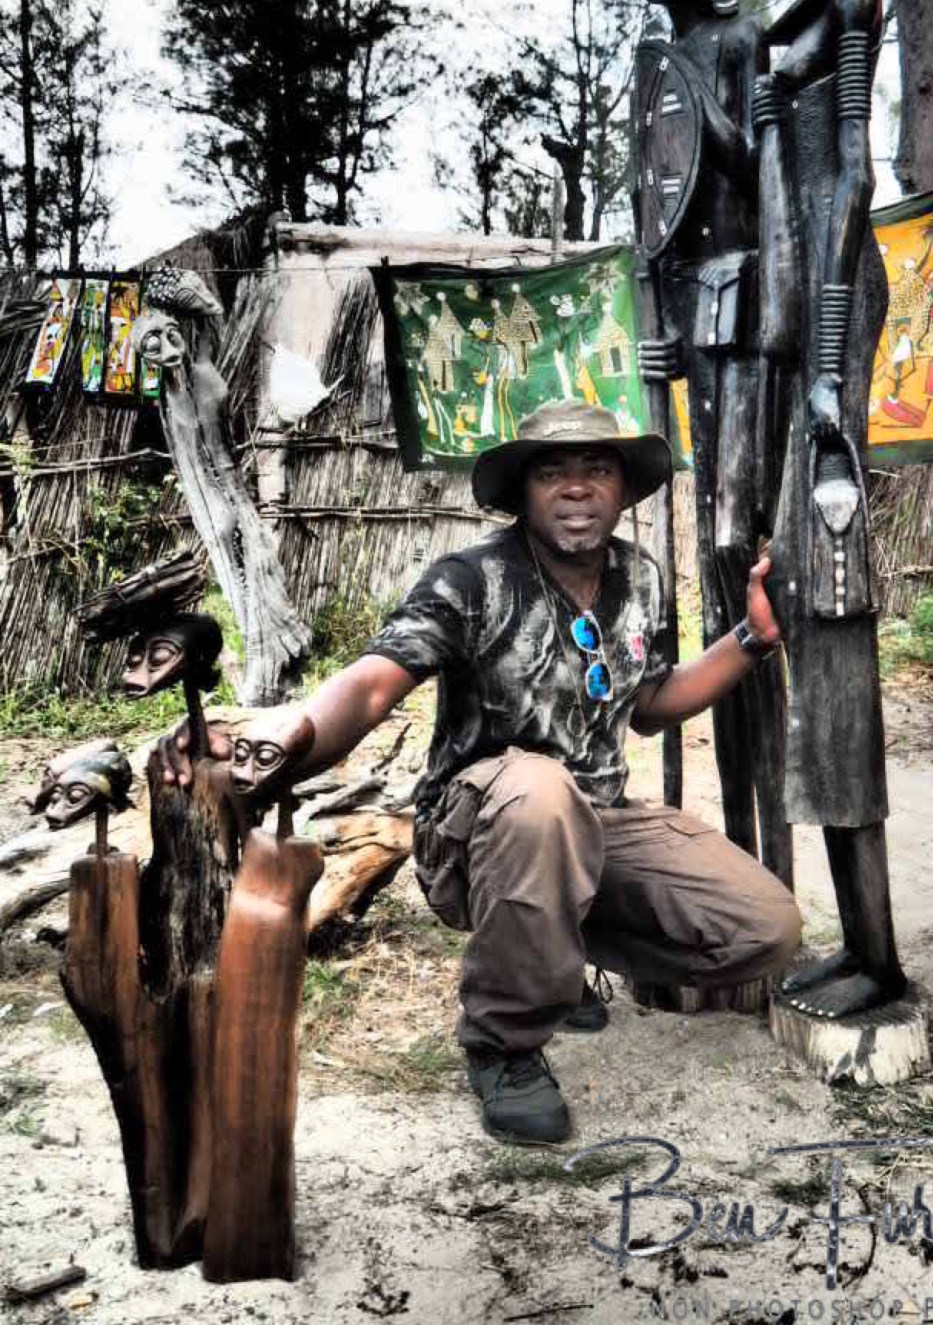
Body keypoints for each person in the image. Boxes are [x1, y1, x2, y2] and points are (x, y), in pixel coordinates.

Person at [162, 400, 801, 1145]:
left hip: (593, 822)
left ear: (624, 489)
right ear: (521, 492)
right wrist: (288, 733)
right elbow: (372, 685)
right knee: (540, 792)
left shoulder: (644, 578)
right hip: (474, 832)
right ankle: (503, 1044)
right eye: (551, 471)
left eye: (596, 469)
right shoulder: (473, 580)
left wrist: (752, 638)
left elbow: (651, 702)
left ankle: (551, 946)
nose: (575, 487)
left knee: (765, 926)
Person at [728, 0, 908, 1019]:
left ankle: (882, 958)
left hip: (832, 327)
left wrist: (834, 372)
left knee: (833, 623)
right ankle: (860, 942)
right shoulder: (799, 5)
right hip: (800, 329)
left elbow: (849, 183)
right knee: (807, 609)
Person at [613, 0, 790, 880]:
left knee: (733, 540)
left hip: (740, 303)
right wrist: (653, 316)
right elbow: (653, 213)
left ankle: (758, 846)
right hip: (685, 307)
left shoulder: (734, 43)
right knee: (691, 559)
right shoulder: (658, 56)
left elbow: (752, 183)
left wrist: (701, 97)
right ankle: (710, 865)